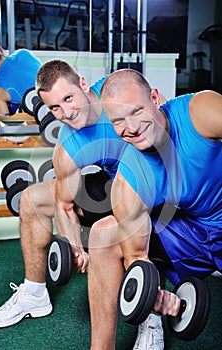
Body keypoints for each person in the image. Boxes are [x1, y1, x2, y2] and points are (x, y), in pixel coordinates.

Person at [0, 61, 167, 350]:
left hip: (155, 182)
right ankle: (34, 293)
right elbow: (65, 204)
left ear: (84, 84)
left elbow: (165, 119)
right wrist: (75, 246)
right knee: (33, 199)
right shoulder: (69, 143)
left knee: (124, 226)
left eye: (68, 98)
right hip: (114, 184)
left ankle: (150, 316)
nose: (66, 112)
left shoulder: (118, 93)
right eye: (55, 108)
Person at [88, 68, 222, 349]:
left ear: (155, 97)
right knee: (105, 233)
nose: (131, 127)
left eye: (136, 111)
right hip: (190, 233)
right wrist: (153, 295)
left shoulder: (200, 112)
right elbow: (137, 257)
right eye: (118, 121)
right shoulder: (129, 180)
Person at [0, 40, 41, 115]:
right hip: (57, 102)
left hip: (39, 119)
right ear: (1, 50)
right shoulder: (24, 53)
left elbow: (4, 124)